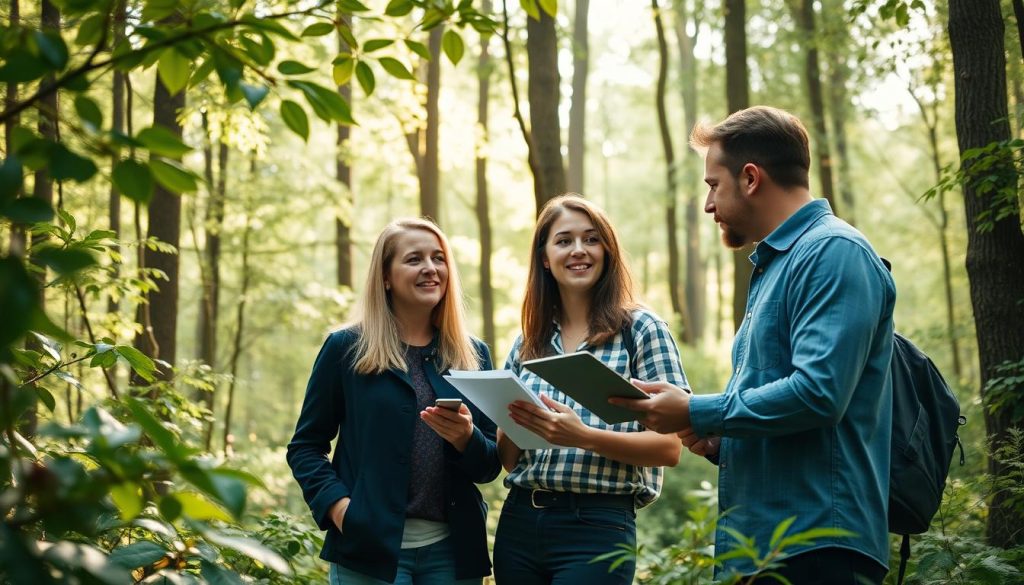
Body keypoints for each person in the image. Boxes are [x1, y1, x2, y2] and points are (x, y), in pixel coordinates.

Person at [611, 106, 896, 584]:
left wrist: (698, 410)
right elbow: (788, 408)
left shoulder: (833, 252)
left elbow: (819, 394)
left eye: (712, 185)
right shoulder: (776, 266)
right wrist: (718, 440)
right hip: (761, 547)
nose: (707, 204)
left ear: (750, 178)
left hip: (817, 547)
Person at [287, 218, 500, 585]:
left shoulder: (473, 354)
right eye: (414, 259)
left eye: (438, 258)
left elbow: (489, 466)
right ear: (385, 276)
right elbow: (305, 447)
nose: (430, 268)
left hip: (453, 553)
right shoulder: (346, 348)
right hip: (370, 550)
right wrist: (341, 510)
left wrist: (466, 439)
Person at [493, 194, 689, 585]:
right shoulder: (527, 342)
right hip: (520, 524)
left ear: (608, 251)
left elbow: (669, 448)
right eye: (564, 240)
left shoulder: (642, 331)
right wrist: (511, 419)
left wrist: (582, 437)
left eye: (591, 239)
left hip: (598, 527)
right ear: (545, 258)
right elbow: (510, 459)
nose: (578, 250)